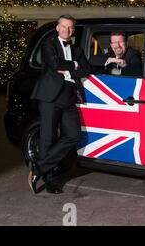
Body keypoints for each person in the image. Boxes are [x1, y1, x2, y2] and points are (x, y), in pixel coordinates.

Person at [29, 14, 91, 194]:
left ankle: (39, 168)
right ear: (57, 28)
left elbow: (87, 69)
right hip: (50, 97)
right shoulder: (49, 45)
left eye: (70, 27)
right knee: (48, 139)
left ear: (73, 30)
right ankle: (50, 181)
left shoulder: (77, 49)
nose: (67, 30)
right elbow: (55, 63)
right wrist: (74, 65)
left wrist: (69, 70)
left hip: (69, 96)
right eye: (64, 26)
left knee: (74, 135)